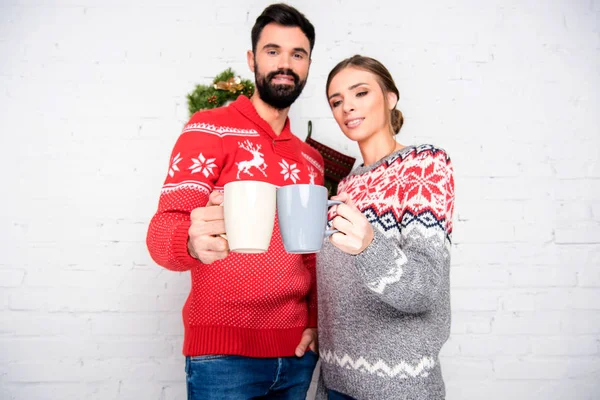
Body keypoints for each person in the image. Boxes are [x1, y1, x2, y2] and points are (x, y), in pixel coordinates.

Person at [146, 4, 324, 399]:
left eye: (298, 54)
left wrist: (313, 321)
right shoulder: (208, 130)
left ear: (309, 64)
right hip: (222, 357)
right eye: (272, 51)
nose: (285, 63)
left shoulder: (310, 160)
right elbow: (161, 231)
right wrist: (190, 242)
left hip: (297, 354)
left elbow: (312, 258)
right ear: (251, 59)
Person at [316, 55, 455, 400]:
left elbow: (424, 289)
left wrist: (369, 246)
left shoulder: (425, 165)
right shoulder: (345, 186)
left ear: (390, 97)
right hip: (336, 381)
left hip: (399, 387)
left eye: (360, 93)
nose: (347, 107)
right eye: (336, 101)